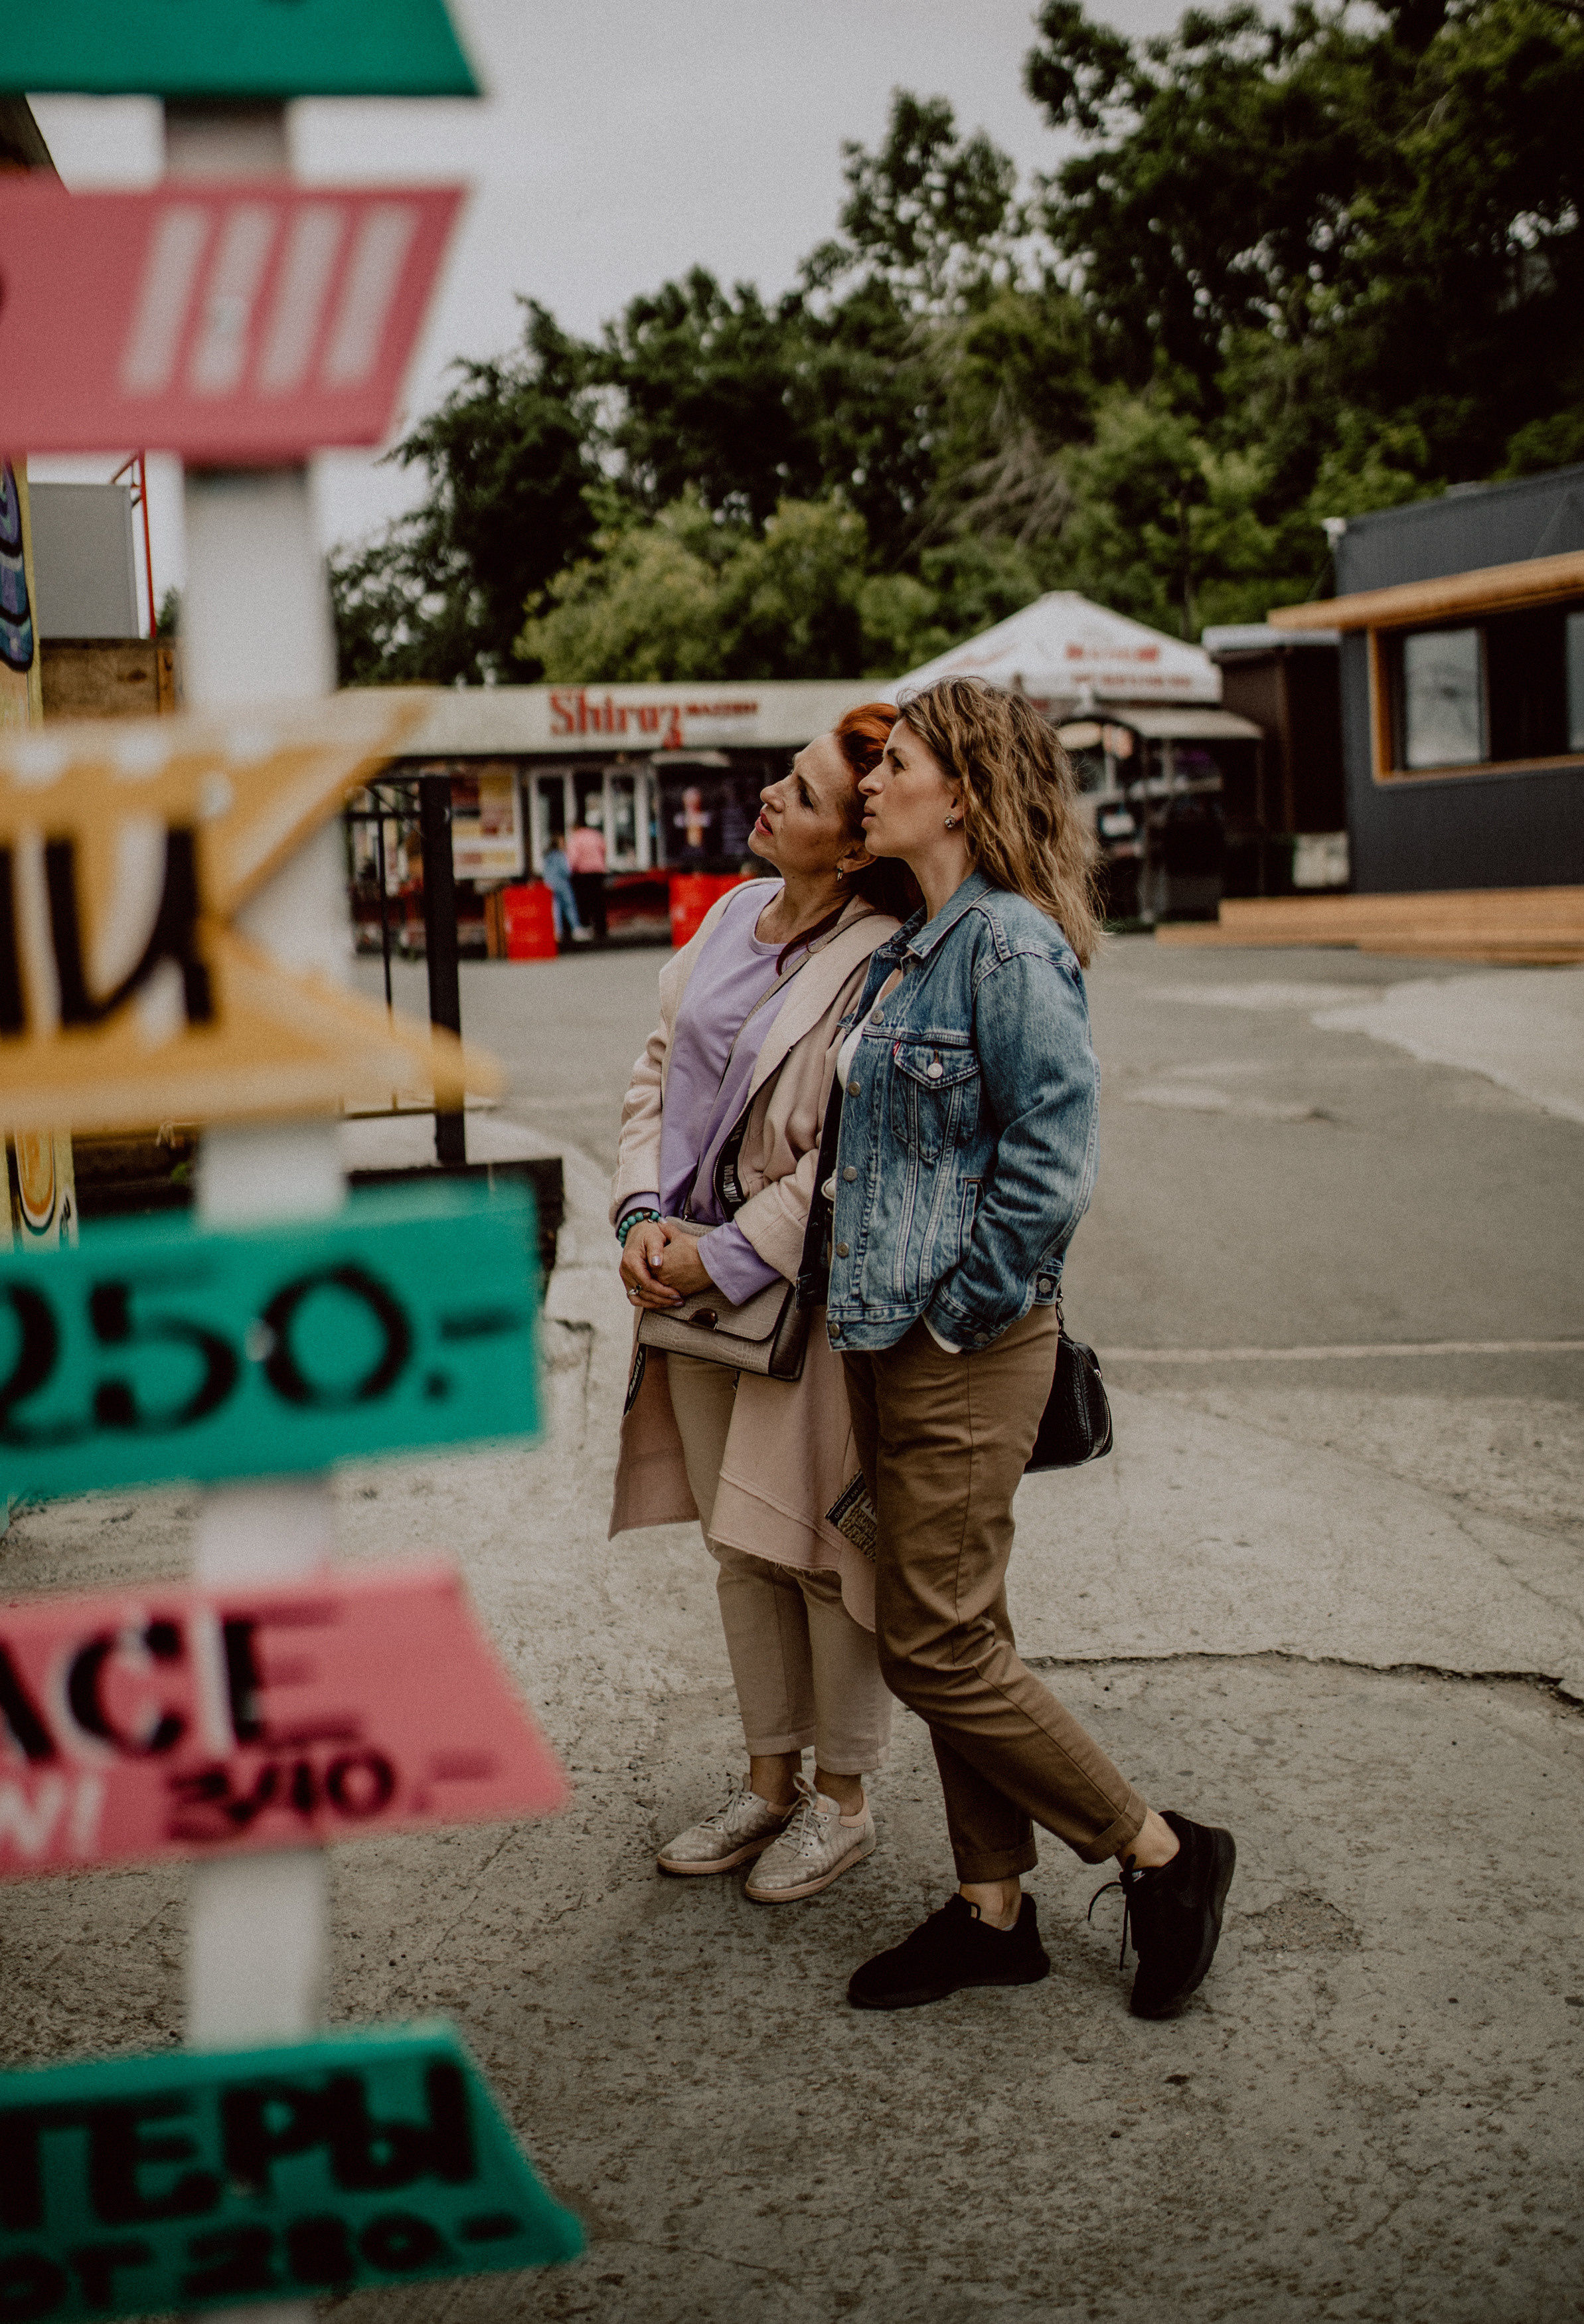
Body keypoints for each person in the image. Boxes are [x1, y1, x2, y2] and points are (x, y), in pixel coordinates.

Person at [815, 677, 1235, 2017]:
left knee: (929, 1647)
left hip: (964, 1339)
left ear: (964, 788)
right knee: (955, 1620)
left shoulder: (1005, 948)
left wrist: (954, 1311)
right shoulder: (912, 944)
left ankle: (1160, 1848)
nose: (869, 781)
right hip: (893, 1334)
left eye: (897, 763)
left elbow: (1051, 1162)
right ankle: (989, 1907)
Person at [609, 708, 915, 1904]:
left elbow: (850, 1162)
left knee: (818, 1549)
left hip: (789, 1296)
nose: (771, 798)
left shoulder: (884, 954)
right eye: (781, 780)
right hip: (678, 1282)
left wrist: (719, 1256)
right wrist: (640, 1218)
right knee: (737, 1549)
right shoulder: (733, 913)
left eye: (802, 792)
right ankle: (767, 1779)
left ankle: (844, 1800)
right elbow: (652, 1068)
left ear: (850, 848)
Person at [566, 816, 609, 941]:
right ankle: (601, 928)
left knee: (584, 901)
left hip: (583, 873)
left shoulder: (576, 838)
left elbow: (573, 858)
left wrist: (570, 871)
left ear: (576, 827)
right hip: (598, 871)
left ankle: (586, 927)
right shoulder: (596, 835)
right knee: (598, 900)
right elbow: (604, 849)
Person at [540, 837, 586, 945]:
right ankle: (576, 929)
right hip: (562, 883)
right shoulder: (561, 856)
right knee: (570, 906)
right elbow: (567, 871)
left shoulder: (548, 856)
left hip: (550, 884)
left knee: (555, 908)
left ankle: (557, 932)